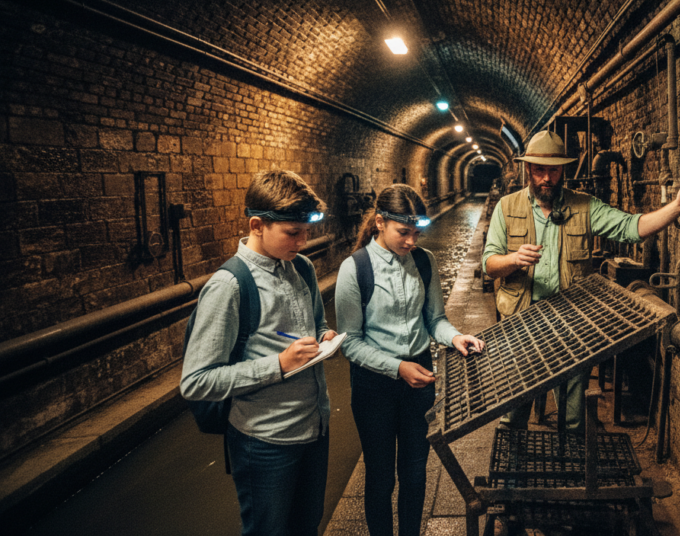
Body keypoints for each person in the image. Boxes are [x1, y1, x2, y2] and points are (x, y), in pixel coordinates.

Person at [483, 130, 680, 432]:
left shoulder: (584, 206)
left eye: (553, 170)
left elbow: (632, 227)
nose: (546, 178)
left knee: (573, 415)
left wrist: (677, 208)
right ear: (528, 169)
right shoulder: (507, 207)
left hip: (570, 323)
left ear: (563, 170)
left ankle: (571, 468)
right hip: (522, 324)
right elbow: (489, 264)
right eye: (539, 170)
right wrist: (513, 259)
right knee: (513, 410)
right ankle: (511, 472)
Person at [180, 169, 335, 536]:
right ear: (257, 225)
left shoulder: (302, 267)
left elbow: (315, 324)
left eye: (306, 231)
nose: (302, 241)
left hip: (314, 427)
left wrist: (324, 336)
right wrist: (278, 365)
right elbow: (196, 382)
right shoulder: (229, 286)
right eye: (292, 233)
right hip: (265, 441)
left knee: (306, 526)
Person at [334, 184, 485, 536]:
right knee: (381, 476)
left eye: (417, 233)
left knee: (416, 471)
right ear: (379, 223)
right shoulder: (354, 269)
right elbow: (350, 344)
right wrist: (396, 368)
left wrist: (456, 336)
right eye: (404, 232)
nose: (412, 241)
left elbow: (435, 320)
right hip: (375, 387)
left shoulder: (424, 262)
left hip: (419, 380)